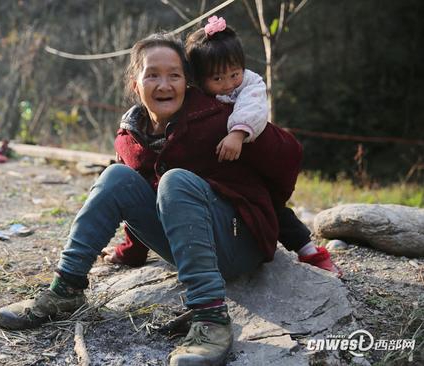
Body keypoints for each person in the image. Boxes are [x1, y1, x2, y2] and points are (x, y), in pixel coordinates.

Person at [0, 32, 298, 365]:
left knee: (176, 182)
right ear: (135, 84)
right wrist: (131, 252)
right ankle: (65, 290)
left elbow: (288, 161)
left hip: (238, 243)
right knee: (116, 176)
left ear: (188, 82)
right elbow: (134, 199)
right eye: (152, 74)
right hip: (189, 245)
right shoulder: (131, 136)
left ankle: (210, 318)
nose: (164, 84)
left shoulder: (221, 117)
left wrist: (285, 229)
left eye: (174, 75)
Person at [103, 17, 342, 277]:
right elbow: (143, 191)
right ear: (196, 79)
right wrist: (132, 249)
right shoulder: (181, 111)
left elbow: (256, 114)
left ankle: (311, 252)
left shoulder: (248, 87)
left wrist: (238, 133)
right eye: (218, 78)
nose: (228, 84)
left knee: (272, 208)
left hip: (244, 161)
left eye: (234, 74)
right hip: (205, 199)